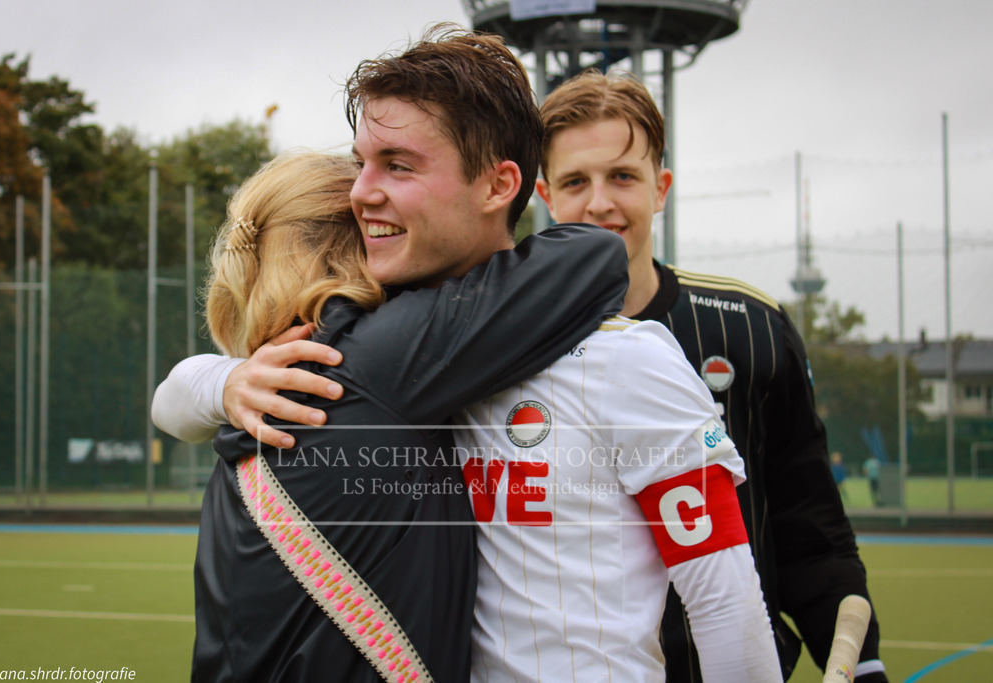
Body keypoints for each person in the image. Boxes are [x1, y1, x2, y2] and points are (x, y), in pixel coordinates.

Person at [155, 26, 783, 682]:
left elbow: (722, 599)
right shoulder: (368, 361)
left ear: (496, 186)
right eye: (362, 161)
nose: (362, 191)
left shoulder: (628, 362)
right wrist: (224, 379)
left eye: (398, 164)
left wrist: (212, 382)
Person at [534, 69, 888, 682]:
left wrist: (865, 659)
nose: (599, 203)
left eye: (622, 176)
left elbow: (806, 518)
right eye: (575, 181)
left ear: (661, 187)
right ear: (545, 195)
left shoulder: (750, 328)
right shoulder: (506, 344)